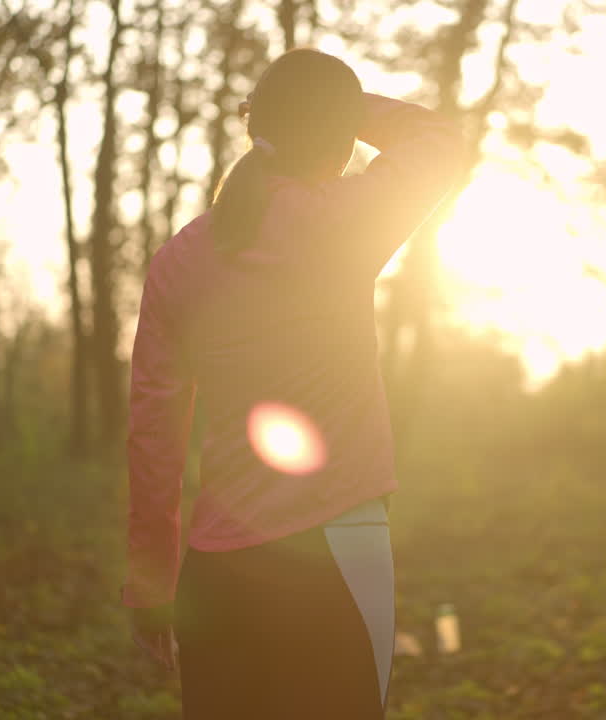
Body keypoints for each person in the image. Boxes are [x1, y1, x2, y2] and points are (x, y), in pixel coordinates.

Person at [123, 48, 464, 718]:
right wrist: (340, 107)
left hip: (216, 575)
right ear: (338, 141)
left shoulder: (177, 259)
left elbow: (153, 432)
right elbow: (440, 141)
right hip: (339, 552)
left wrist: (152, 583)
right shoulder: (347, 220)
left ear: (258, 131)